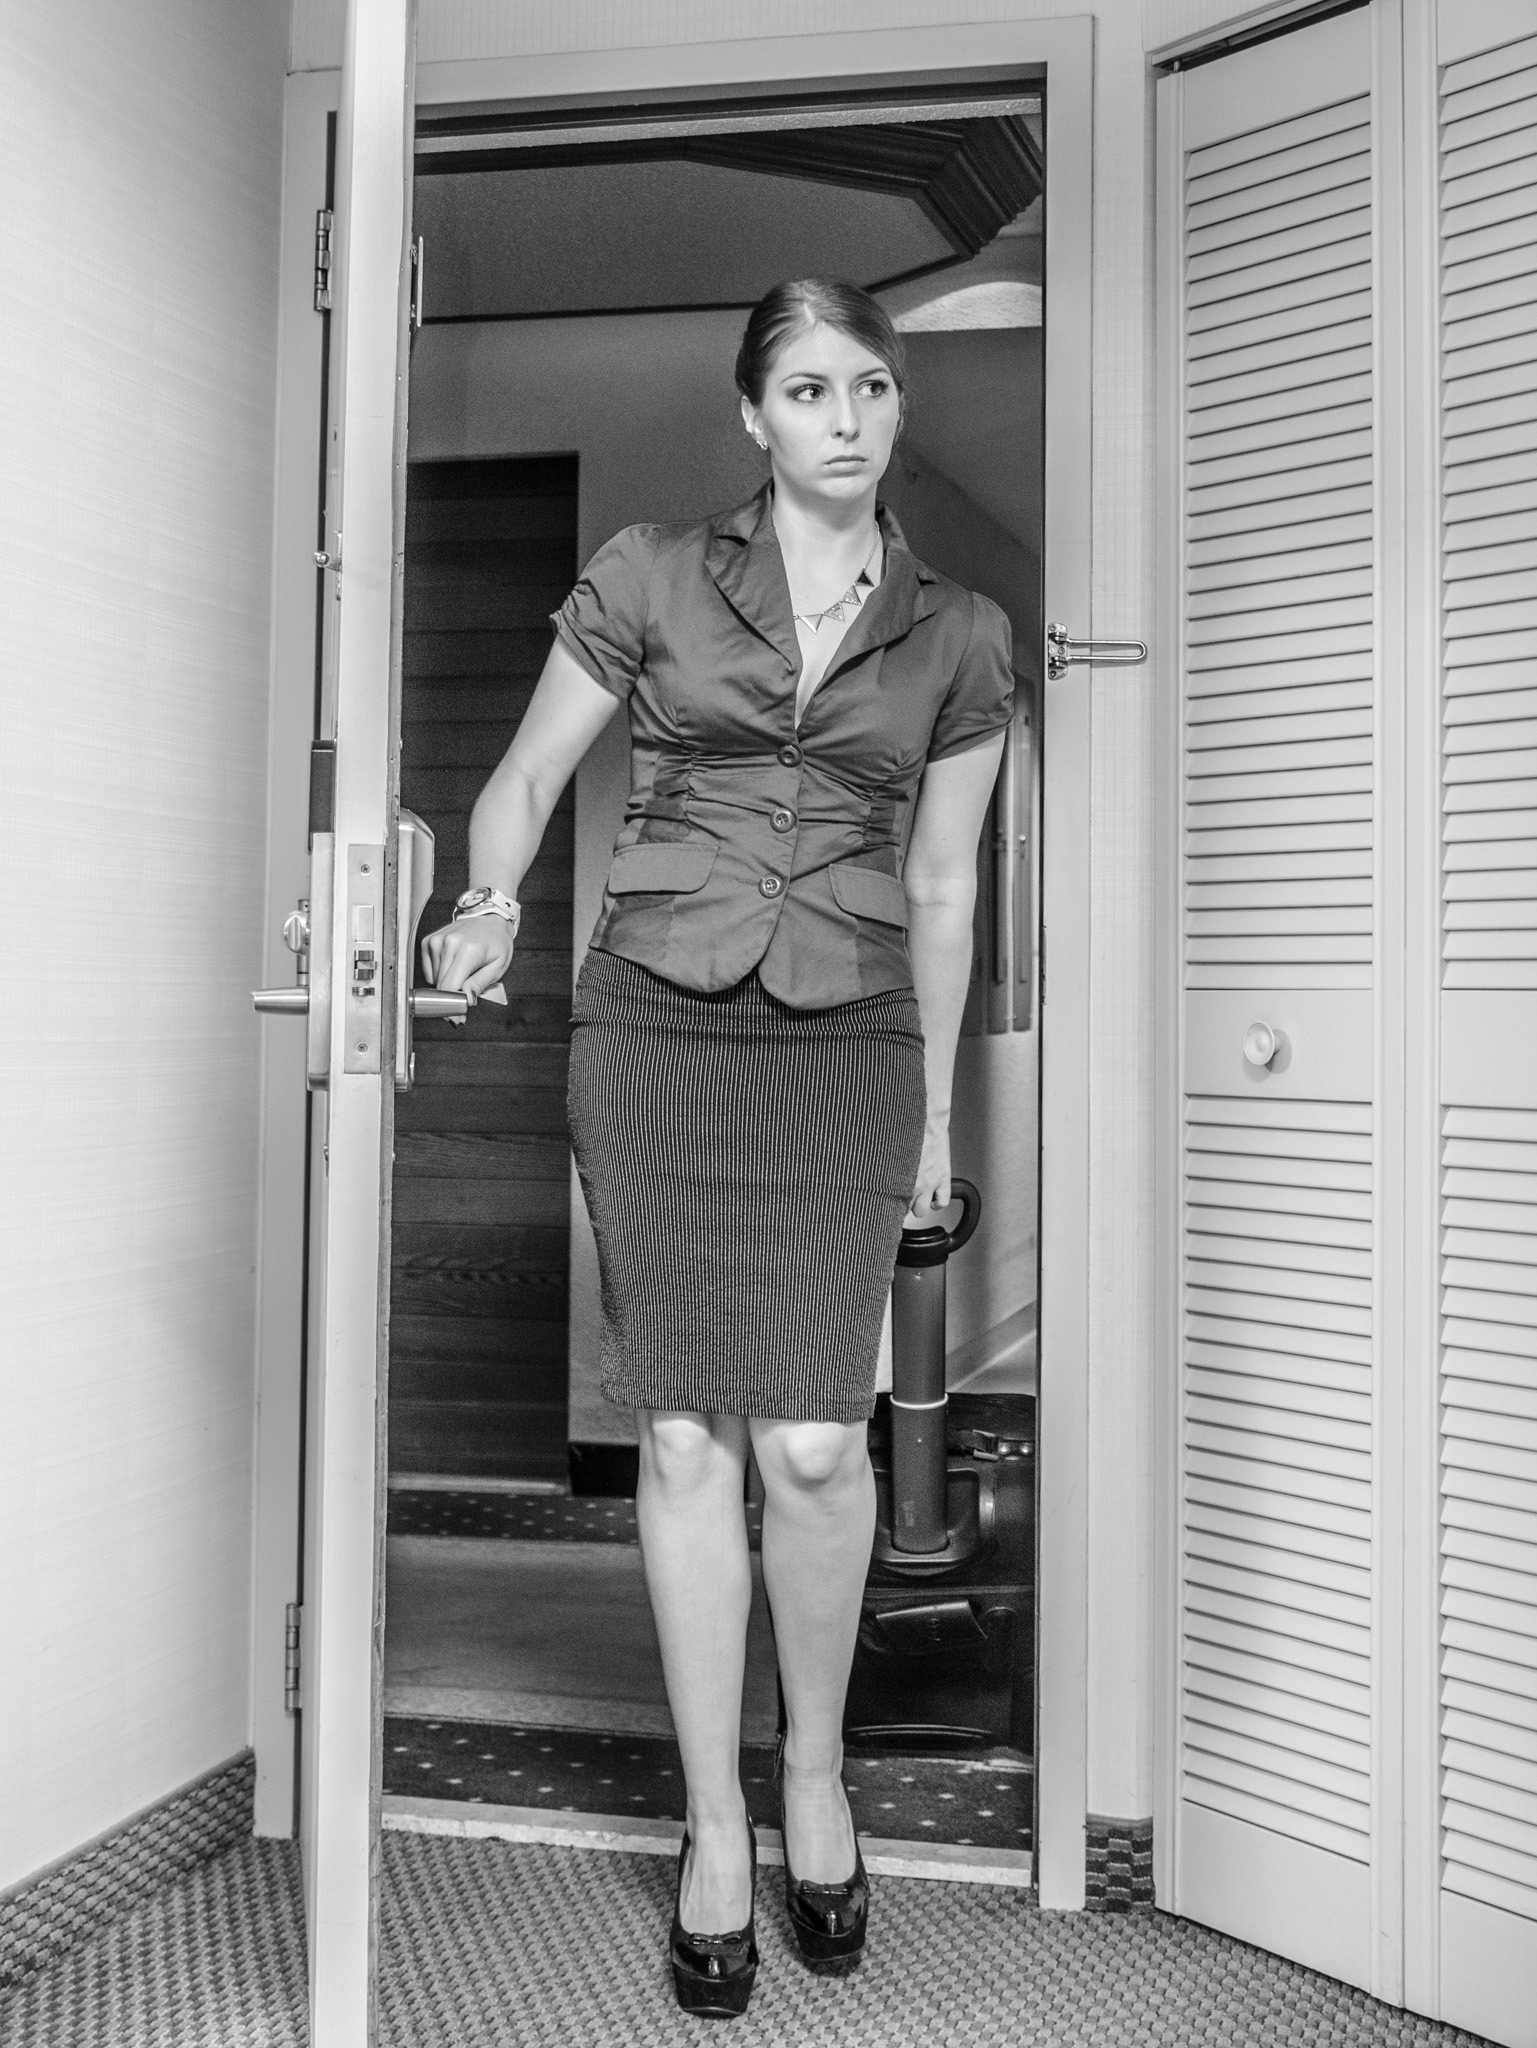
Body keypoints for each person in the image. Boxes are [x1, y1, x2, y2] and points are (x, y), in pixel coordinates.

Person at [422, 276, 1012, 2019]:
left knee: (817, 1446)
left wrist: (934, 1113)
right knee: (683, 1434)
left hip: (847, 1043)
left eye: (872, 388)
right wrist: (485, 903)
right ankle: (711, 1821)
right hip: (658, 1027)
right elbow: (526, 779)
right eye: (810, 390)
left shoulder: (961, 633)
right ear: (752, 416)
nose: (848, 417)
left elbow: (943, 885)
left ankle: (813, 1773)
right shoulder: (652, 573)